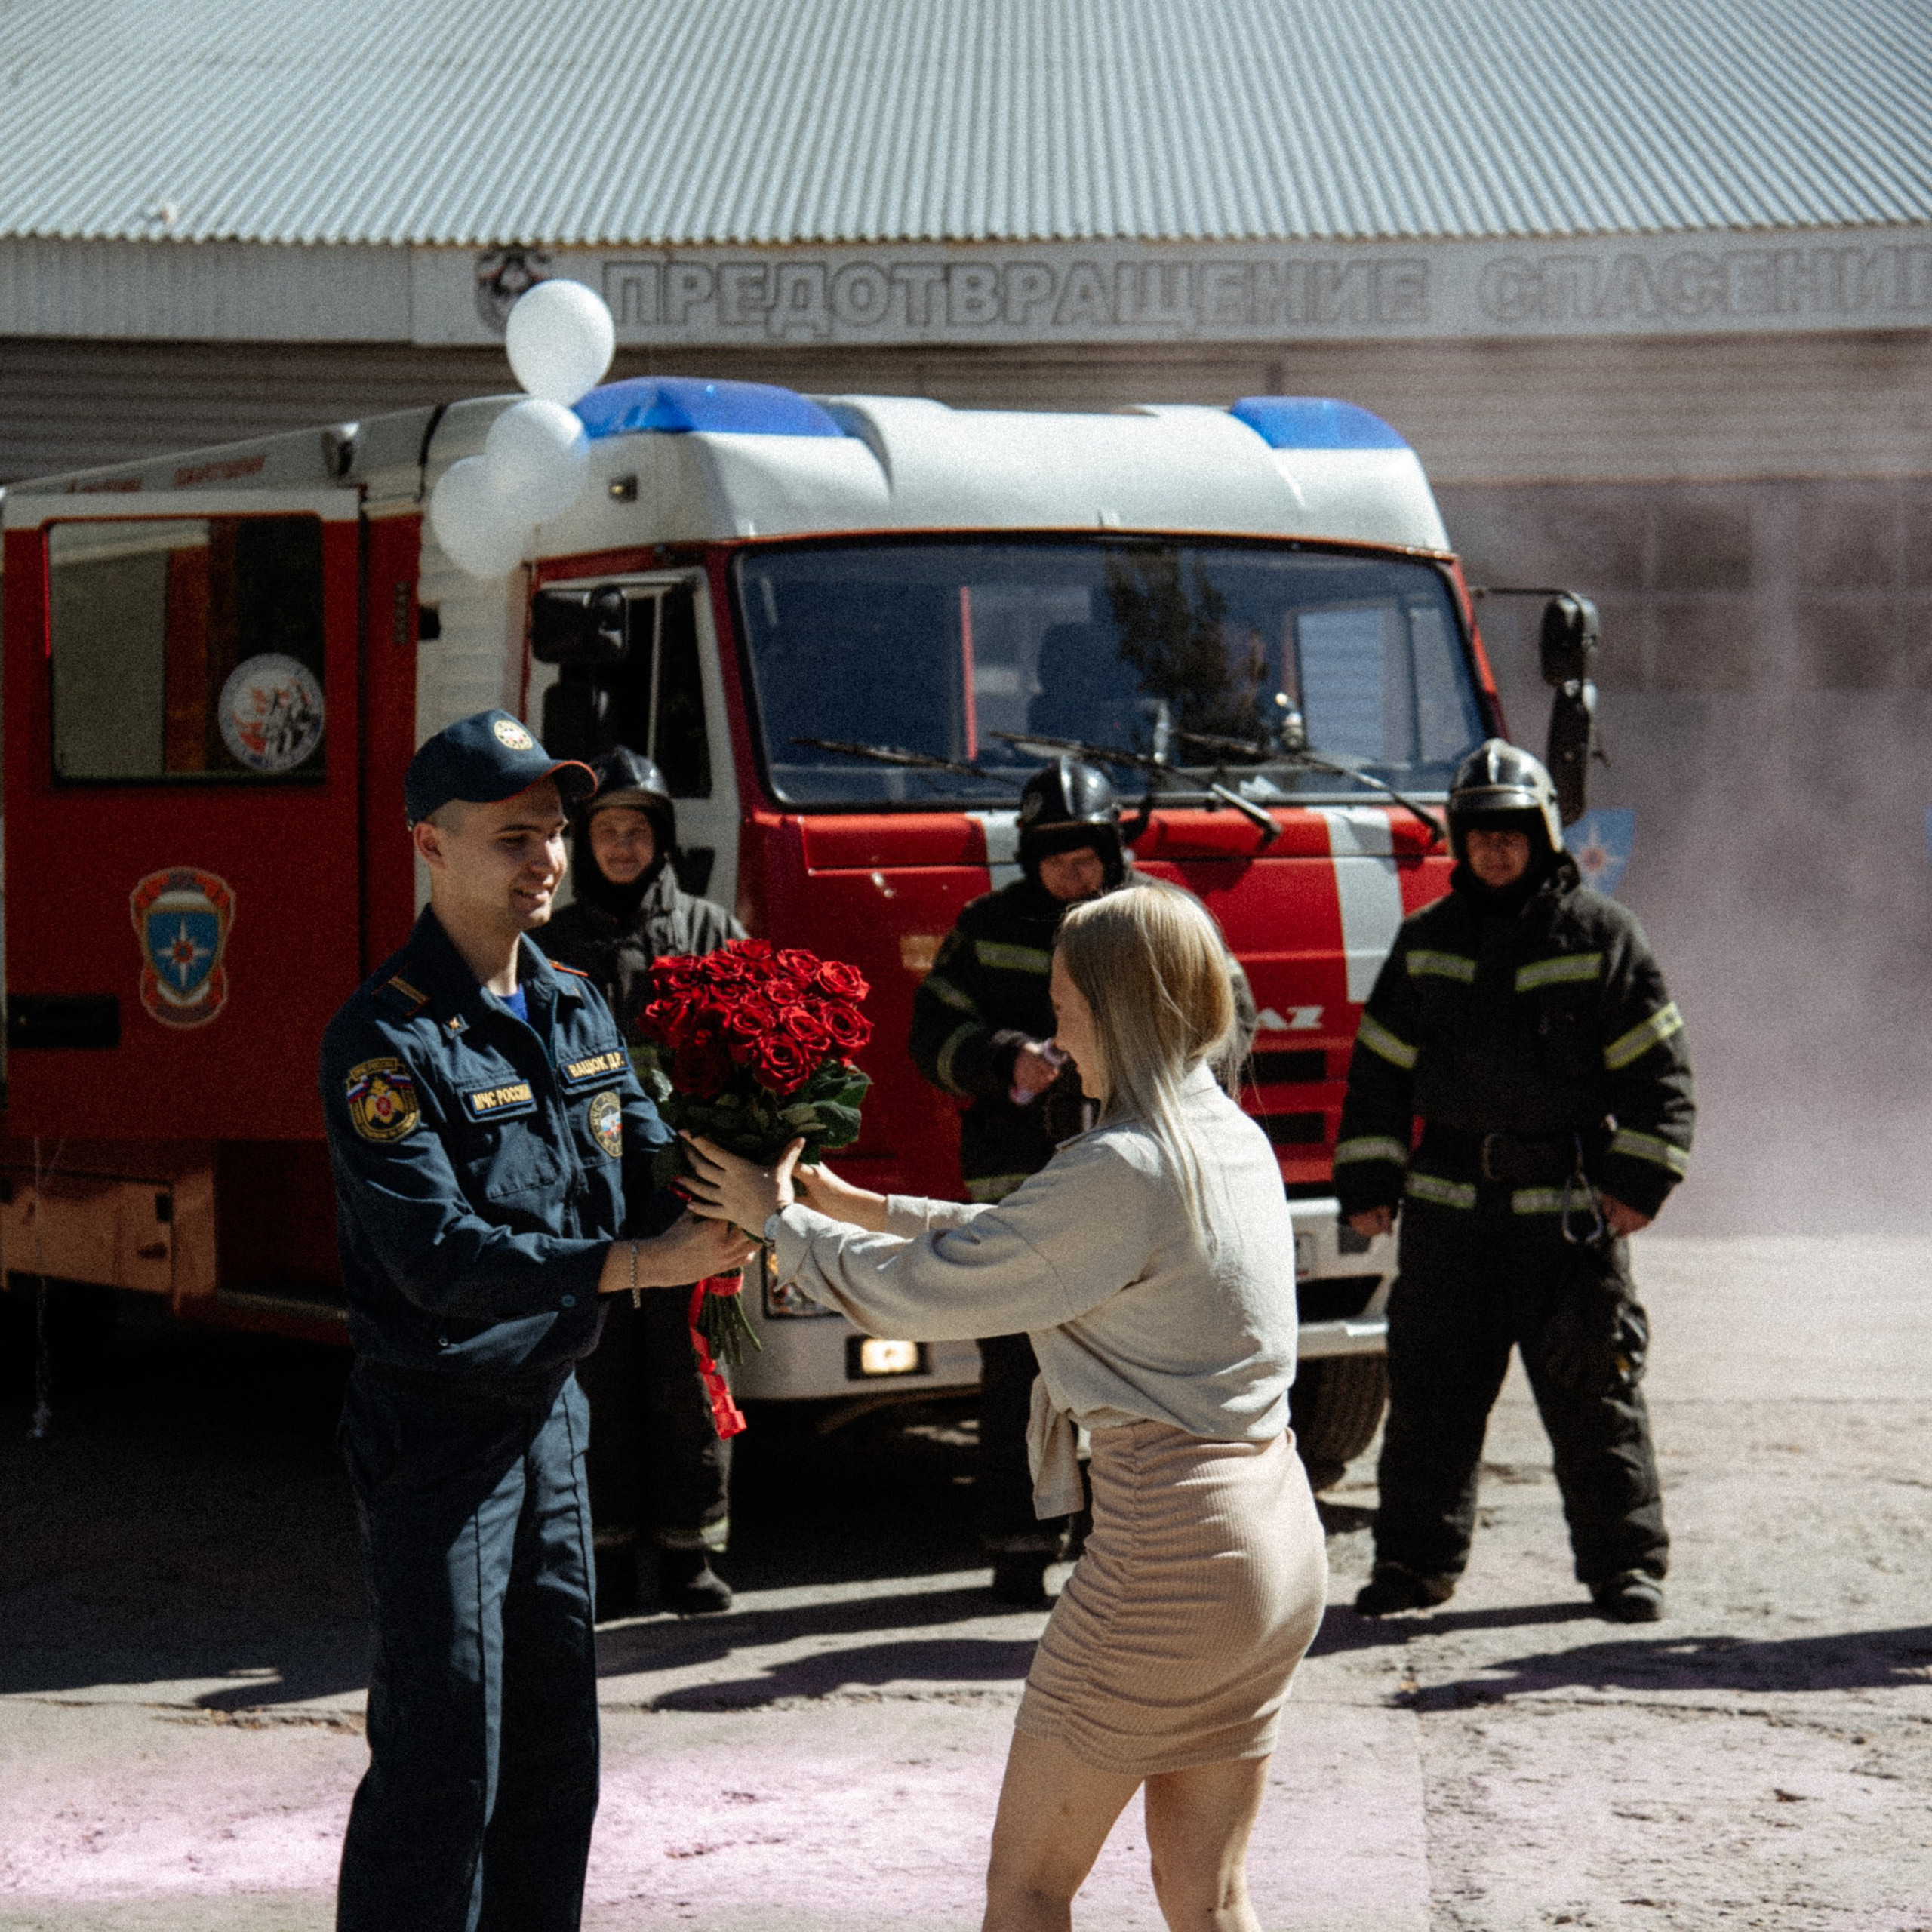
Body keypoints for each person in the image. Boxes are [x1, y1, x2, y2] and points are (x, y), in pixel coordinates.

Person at [685, 882, 1326, 1932]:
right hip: (1276, 1547)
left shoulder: (1125, 1163)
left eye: (1067, 1004)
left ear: (1119, 1009)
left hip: (1172, 1556)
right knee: (1208, 1895)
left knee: (1028, 1891)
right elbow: (1040, 1235)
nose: (1056, 1032)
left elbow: (934, 1289)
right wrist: (860, 1206)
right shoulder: (1223, 1135)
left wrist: (781, 1224)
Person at [320, 709, 755, 1932]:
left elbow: (653, 1167)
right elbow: (438, 1259)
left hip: (551, 1422)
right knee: (443, 1757)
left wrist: (768, 1172)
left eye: (554, 833)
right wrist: (643, 1263)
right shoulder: (383, 1038)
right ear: (431, 844)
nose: (548, 860)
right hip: (438, 1429)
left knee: (556, 1758)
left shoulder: (573, 1005)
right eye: (514, 837)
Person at [1334, 740, 1694, 1624]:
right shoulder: (1427, 941)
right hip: (1449, 1219)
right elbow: (1378, 1074)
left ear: (1543, 835)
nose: (1495, 850)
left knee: (1594, 1391)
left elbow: (1659, 1073)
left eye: (1511, 834)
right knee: (1429, 1404)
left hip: (1565, 1223)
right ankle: (1412, 1565)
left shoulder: (1601, 936)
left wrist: (1637, 1180)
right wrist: (1368, 1180)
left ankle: (1624, 1567)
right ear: (1459, 841)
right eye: (1480, 835)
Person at [907, 757, 1127, 1604]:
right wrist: (1005, 1060)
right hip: (1019, 1187)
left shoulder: (1151, 919)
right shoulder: (988, 924)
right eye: (1055, 855)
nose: (1073, 870)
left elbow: (1226, 1016)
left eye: (1086, 854)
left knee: (1130, 1369)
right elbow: (932, 1034)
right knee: (1020, 1376)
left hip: (1127, 1188)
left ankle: (1126, 1550)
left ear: (1112, 851)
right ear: (1030, 856)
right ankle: (1020, 1547)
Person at [544, 746, 746, 1618]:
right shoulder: (547, 946)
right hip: (588, 1206)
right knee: (596, 1381)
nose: (622, 846)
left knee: (688, 1380)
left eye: (637, 830)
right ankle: (610, 1558)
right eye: (607, 831)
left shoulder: (710, 930)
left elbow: (756, 1053)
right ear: (584, 843)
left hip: (692, 1197)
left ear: (662, 839)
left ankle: (690, 1553)